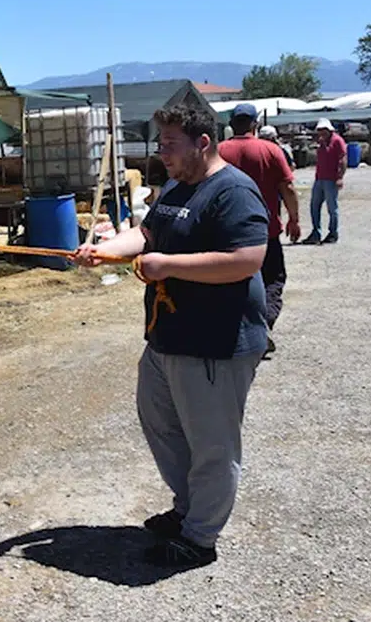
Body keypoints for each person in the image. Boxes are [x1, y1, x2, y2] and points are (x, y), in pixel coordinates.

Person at [75, 104, 268, 569]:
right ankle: (188, 510)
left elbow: (247, 259)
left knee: (212, 443)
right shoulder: (178, 186)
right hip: (168, 337)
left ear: (204, 143)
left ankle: (200, 539)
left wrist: (169, 265)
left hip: (215, 342)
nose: (162, 154)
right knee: (161, 424)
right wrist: (103, 251)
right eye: (160, 144)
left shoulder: (234, 191)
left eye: (170, 145)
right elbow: (146, 232)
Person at [222, 105, 301, 358]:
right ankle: (263, 326)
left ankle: (234, 331)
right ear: (255, 124)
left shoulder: (218, 152)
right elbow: (287, 187)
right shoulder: (270, 150)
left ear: (231, 124)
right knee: (272, 280)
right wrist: (294, 219)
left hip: (226, 233)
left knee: (232, 282)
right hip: (264, 232)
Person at [304, 118, 346, 244]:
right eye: (319, 130)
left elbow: (342, 160)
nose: (321, 132)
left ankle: (333, 233)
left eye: (323, 130)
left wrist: (340, 177)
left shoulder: (337, 141)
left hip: (331, 179)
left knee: (332, 208)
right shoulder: (321, 142)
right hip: (320, 178)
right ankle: (316, 232)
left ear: (329, 130)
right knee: (314, 206)